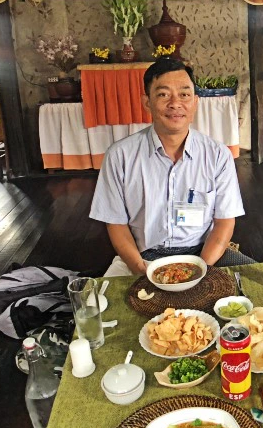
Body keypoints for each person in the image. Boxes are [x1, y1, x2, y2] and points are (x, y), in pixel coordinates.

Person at [90, 57, 253, 276]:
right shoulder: (120, 155)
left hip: (205, 255)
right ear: (147, 102)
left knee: (259, 288)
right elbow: (116, 224)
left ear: (195, 102)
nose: (175, 103)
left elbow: (224, 223)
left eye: (184, 95)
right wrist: (141, 271)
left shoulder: (217, 155)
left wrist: (198, 271)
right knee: (98, 307)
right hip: (143, 257)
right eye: (163, 94)